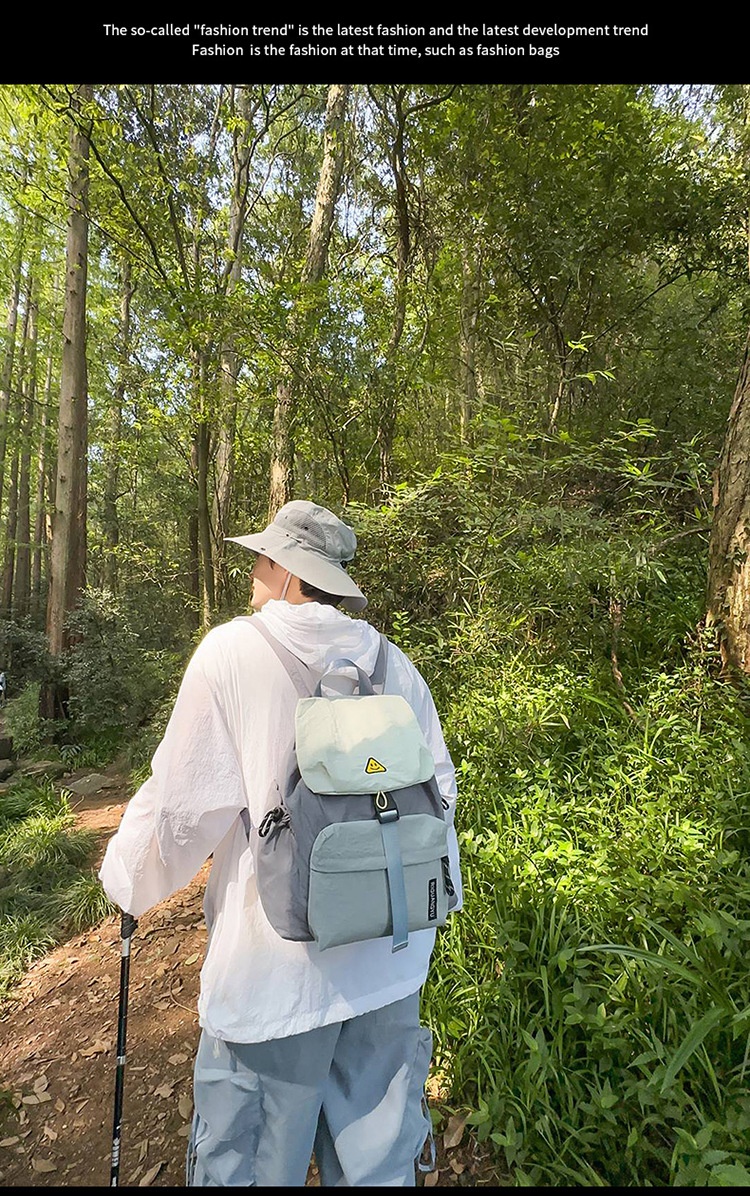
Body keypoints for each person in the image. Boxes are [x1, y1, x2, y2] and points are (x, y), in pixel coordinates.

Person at [99, 499, 461, 1187]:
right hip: (391, 966)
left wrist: (127, 881)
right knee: (380, 1170)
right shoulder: (394, 665)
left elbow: (180, 805)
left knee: (250, 1165)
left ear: (291, 572)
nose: (253, 571)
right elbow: (439, 796)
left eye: (262, 558)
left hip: (275, 984)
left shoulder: (233, 653)